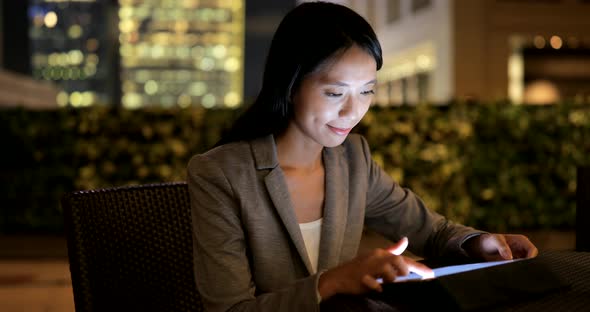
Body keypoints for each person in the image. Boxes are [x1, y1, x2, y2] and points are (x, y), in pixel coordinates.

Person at [187, 2, 538, 311]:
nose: (353, 112)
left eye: (367, 91)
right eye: (335, 92)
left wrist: (480, 242)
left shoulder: (353, 159)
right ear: (290, 85)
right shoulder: (220, 174)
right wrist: (333, 281)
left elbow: (432, 232)